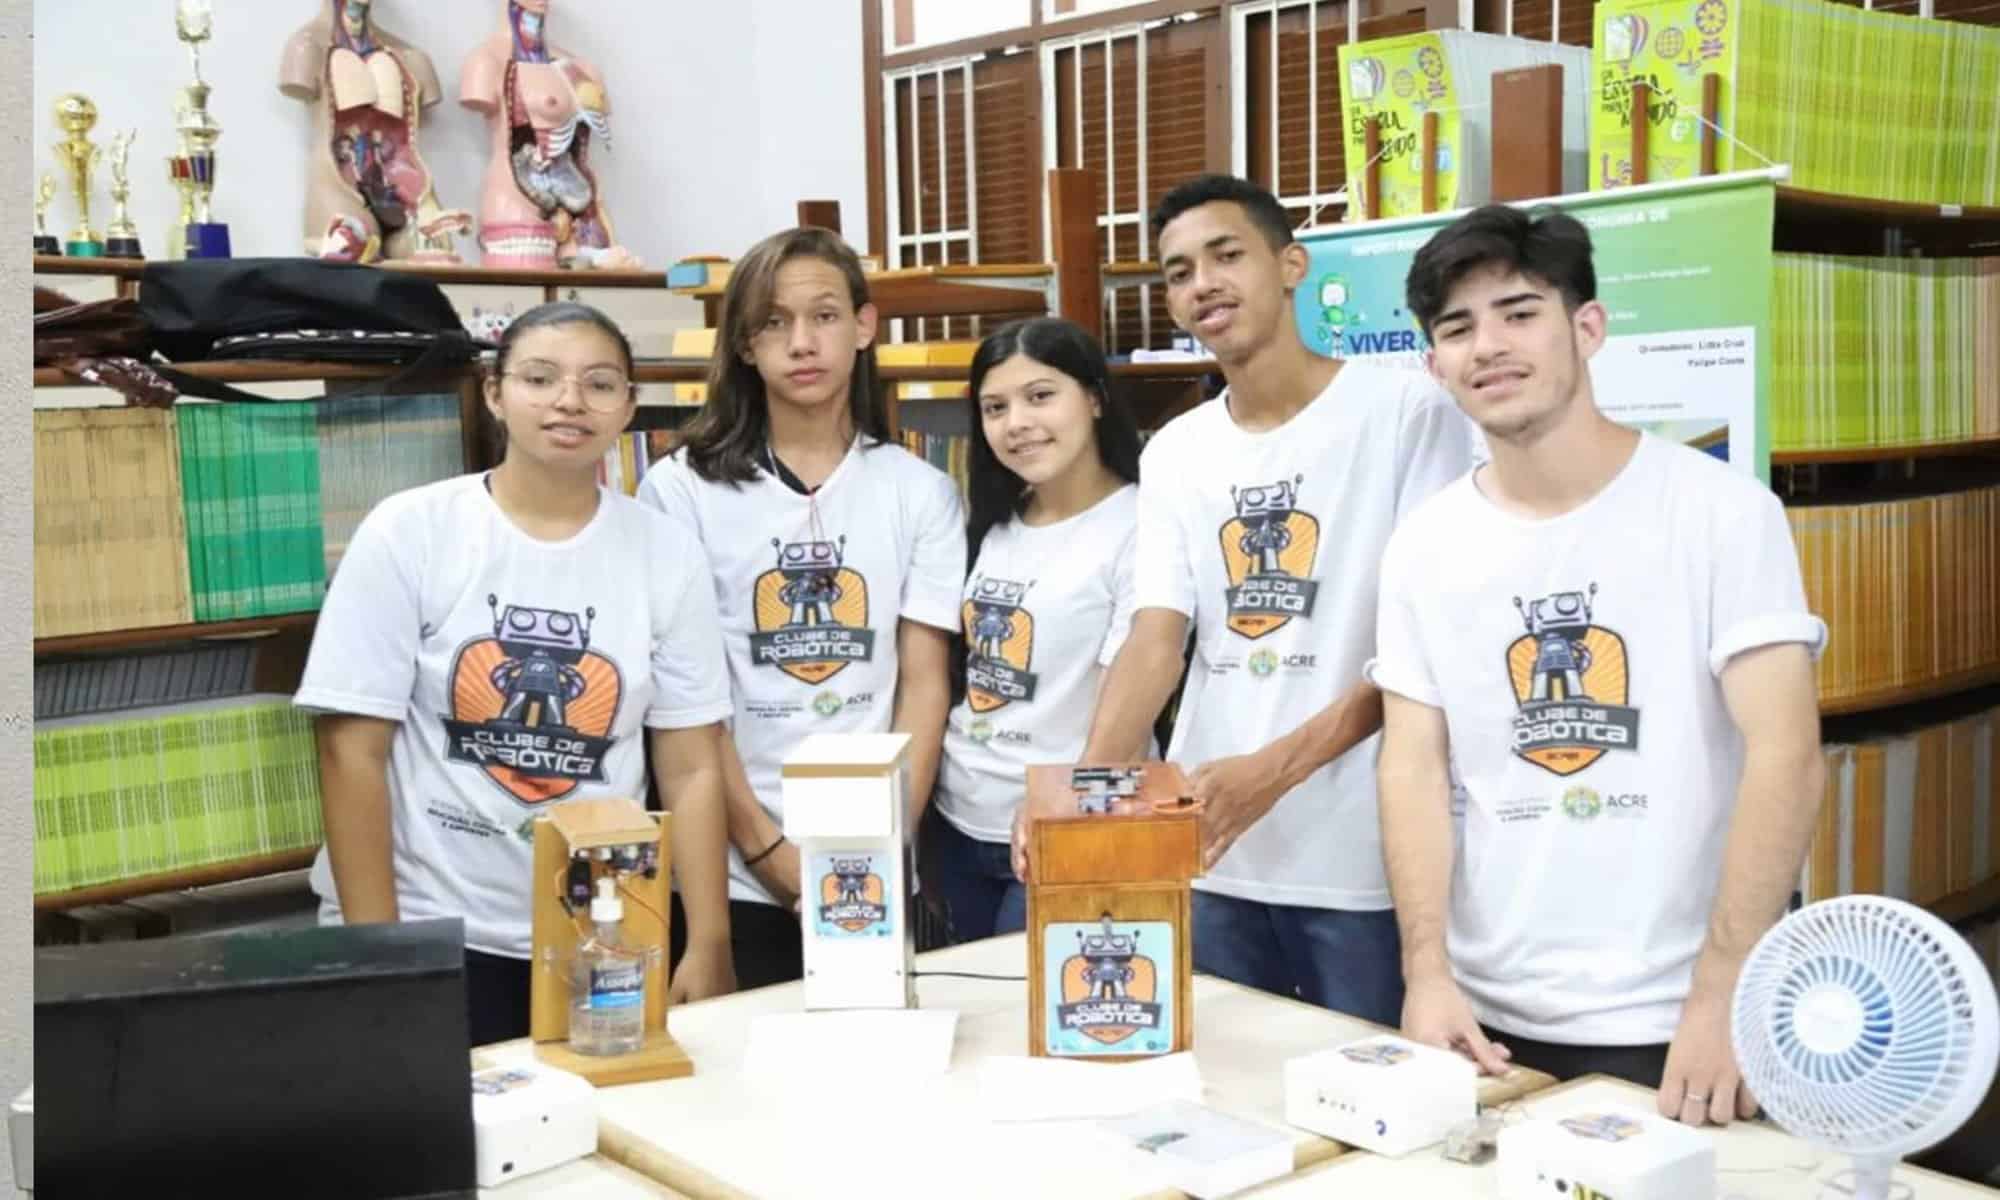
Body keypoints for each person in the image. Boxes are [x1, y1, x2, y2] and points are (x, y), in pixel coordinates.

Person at [1370, 203, 1826, 1125]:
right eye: (1456, 329)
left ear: (1588, 327)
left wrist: (1723, 990)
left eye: (1519, 312)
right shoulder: (1424, 544)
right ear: (1433, 365)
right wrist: (1426, 973)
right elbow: (1410, 765)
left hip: (1679, 1014)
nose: (1487, 346)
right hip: (1485, 1014)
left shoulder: (1721, 512)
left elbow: (1788, 754)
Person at [1053, 174, 1477, 1024]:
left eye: (1225, 255)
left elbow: (1420, 657)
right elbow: (1155, 636)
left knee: (1369, 1111)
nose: (1202, 284)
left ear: (1290, 265)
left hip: (1364, 861)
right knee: (1221, 1101)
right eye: (1177, 272)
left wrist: (1271, 774)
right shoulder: (1176, 449)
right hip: (1211, 854)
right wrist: (1082, 802)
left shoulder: (1406, 411)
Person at [297, 300, 738, 1047]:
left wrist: (709, 942)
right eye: (541, 378)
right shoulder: (411, 530)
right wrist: (384, 954)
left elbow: (691, 764)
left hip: (603, 935)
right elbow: (351, 751)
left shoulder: (666, 551)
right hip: (433, 926)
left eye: (601, 384)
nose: (570, 401)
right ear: (495, 392)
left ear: (629, 407)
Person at [637, 227, 964, 988]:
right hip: (731, 868)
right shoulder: (680, 489)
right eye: (773, 323)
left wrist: (888, 838)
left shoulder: (921, 491)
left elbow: (923, 683)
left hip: (875, 858)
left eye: (823, 315)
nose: (802, 342)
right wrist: (766, 852)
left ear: (865, 325)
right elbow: (692, 704)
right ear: (745, 346)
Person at [927, 317, 1144, 944]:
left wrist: (1073, 795)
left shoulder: (1140, 524)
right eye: (995, 407)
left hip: (1073, 821)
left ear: (1095, 398)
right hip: (959, 820)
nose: (1016, 422)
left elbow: (1136, 681)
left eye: (1040, 396)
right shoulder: (988, 525)